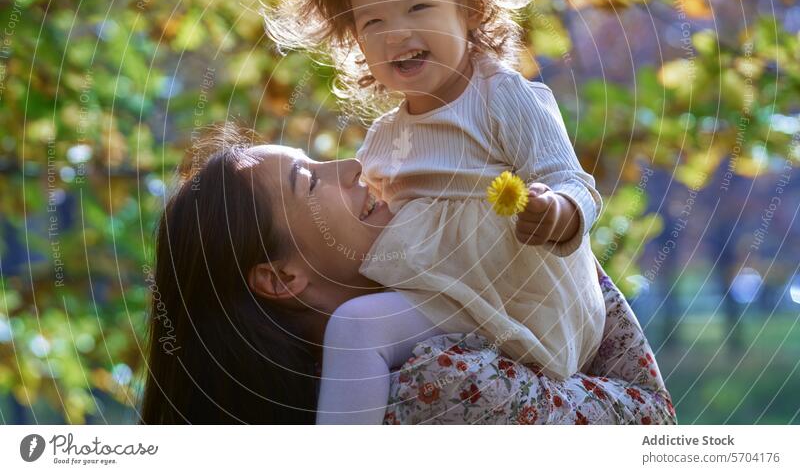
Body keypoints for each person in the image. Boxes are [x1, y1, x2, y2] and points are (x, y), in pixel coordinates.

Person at [262, 0, 606, 424]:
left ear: (469, 9)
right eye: (372, 22)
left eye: (418, 8)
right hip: (453, 301)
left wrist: (558, 212)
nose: (396, 32)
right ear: (356, 42)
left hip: (522, 302)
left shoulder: (501, 96)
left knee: (357, 329)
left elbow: (570, 179)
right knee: (355, 326)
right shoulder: (384, 139)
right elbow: (367, 232)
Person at [140, 136, 675, 425]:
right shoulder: (436, 387)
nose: (350, 166)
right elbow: (651, 426)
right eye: (308, 181)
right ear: (281, 277)